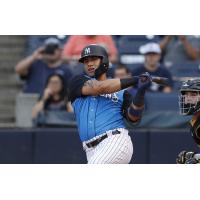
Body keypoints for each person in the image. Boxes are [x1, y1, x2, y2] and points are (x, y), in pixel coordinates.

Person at [69, 44, 152, 164]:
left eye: (94, 59)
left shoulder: (123, 93)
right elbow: (99, 88)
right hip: (91, 150)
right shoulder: (77, 81)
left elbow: (134, 118)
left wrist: (141, 92)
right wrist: (135, 79)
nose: (89, 64)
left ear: (104, 61)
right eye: (86, 61)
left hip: (114, 140)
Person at [176, 79, 200, 164]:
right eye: (186, 94)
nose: (187, 98)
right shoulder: (196, 118)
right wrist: (195, 156)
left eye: (193, 94)